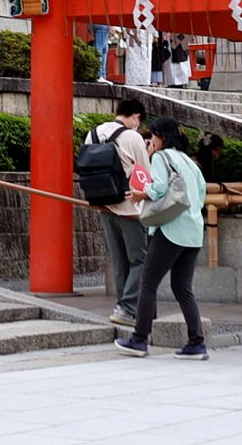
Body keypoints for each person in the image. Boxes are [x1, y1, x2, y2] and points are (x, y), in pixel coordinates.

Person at [114, 116, 209, 360]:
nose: (151, 140)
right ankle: (196, 342)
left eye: (153, 136)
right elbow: (200, 193)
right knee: (182, 287)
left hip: (171, 229)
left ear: (162, 137)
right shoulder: (189, 161)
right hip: (194, 232)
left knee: (147, 282)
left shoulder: (161, 157)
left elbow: (157, 188)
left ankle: (139, 339)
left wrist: (140, 195)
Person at [84, 98, 151, 331]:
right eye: (138, 120)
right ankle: (127, 308)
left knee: (120, 261)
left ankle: (124, 308)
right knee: (140, 259)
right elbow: (144, 175)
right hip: (129, 207)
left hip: (103, 204)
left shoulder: (92, 133)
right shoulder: (133, 137)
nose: (137, 124)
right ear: (135, 116)